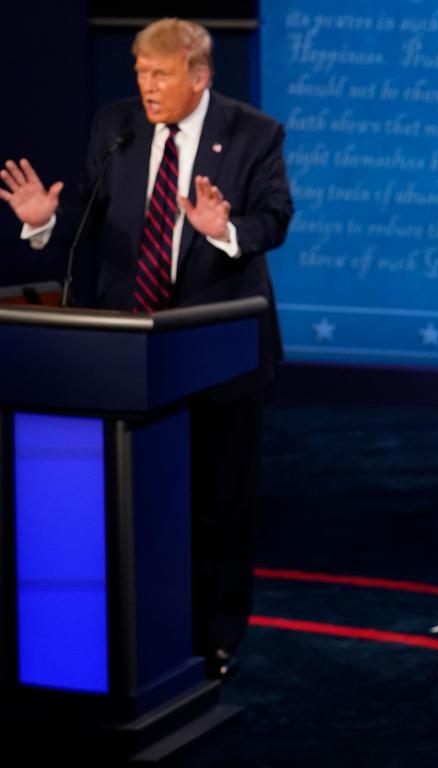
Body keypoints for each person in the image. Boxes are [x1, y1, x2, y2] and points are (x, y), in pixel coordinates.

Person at [0, 18, 293, 680]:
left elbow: (275, 218)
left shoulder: (254, 133)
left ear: (200, 77)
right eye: (138, 70)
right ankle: (139, 629)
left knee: (220, 502)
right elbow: (93, 217)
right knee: (135, 503)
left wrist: (227, 229)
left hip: (219, 350)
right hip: (125, 352)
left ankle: (217, 637)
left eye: (159, 74)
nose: (146, 85)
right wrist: (43, 221)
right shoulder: (117, 125)